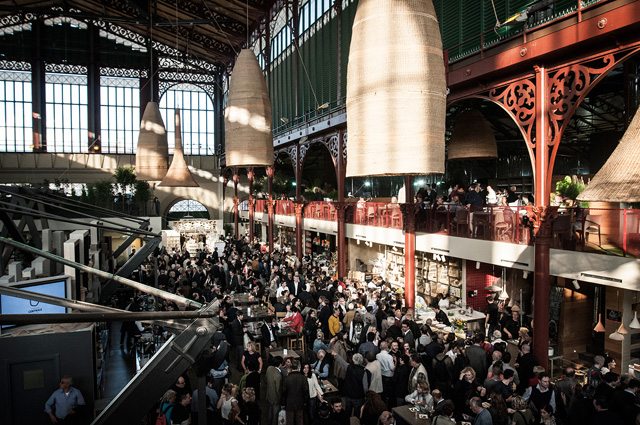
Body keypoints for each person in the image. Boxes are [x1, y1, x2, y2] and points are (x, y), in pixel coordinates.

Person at [283, 359, 310, 425]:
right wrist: (305, 402)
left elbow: (284, 392)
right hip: (300, 403)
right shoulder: (303, 378)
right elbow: (306, 392)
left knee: (290, 421)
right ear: (299, 367)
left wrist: (283, 404)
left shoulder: (287, 378)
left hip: (289, 404)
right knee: (299, 421)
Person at [265, 356, 283, 425]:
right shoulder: (278, 376)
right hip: (275, 399)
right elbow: (278, 390)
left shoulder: (269, 369)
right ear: (280, 364)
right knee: (275, 416)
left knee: (270, 413)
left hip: (269, 395)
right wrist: (280, 399)